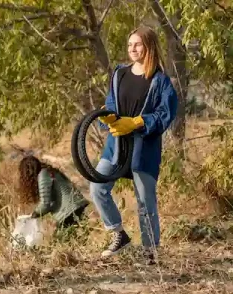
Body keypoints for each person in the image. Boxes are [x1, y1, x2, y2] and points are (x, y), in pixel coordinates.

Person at [91, 26, 178, 263]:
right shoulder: (120, 73)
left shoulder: (160, 81)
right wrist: (107, 116)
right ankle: (119, 234)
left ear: (149, 47)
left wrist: (138, 122)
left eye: (137, 44)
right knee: (97, 188)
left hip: (144, 150)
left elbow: (165, 114)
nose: (132, 49)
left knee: (144, 201)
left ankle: (150, 252)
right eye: (130, 45)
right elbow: (111, 101)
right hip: (116, 146)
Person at [18, 155, 89, 234]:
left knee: (65, 239)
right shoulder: (49, 171)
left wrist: (34, 214)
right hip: (76, 205)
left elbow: (45, 203)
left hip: (69, 211)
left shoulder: (43, 175)